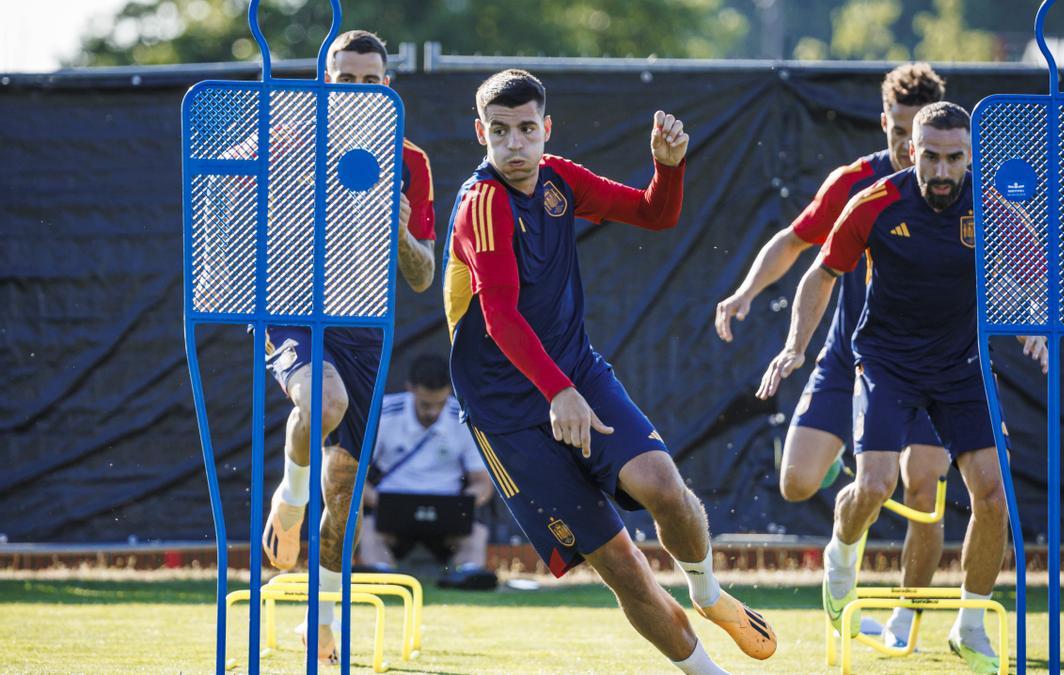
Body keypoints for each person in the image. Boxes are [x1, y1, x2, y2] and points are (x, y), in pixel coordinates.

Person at [441, 69, 775, 674]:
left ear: (546, 129)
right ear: (480, 134)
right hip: (508, 414)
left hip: (575, 376)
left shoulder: (559, 179)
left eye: (524, 130)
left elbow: (654, 215)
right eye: (499, 132)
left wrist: (668, 168)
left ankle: (706, 592)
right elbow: (501, 317)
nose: (514, 145)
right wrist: (557, 392)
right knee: (624, 567)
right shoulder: (482, 204)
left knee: (665, 488)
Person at [755, 102, 1048, 674]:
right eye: (931, 157)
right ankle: (840, 561)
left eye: (954, 158)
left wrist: (1037, 319)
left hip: (961, 367)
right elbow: (821, 273)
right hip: (887, 363)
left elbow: (1035, 267)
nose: (942, 171)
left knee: (992, 495)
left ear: (970, 155)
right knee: (875, 484)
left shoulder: (988, 204)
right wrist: (796, 345)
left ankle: (969, 627)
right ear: (912, 151)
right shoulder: (874, 202)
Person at [715, 62, 949, 648]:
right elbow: (795, 241)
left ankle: (907, 621)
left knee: (922, 485)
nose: (903, 143)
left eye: (913, 132)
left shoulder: (958, 192)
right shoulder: (857, 184)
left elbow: (1015, 252)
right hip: (849, 358)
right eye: (895, 129)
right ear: (884, 123)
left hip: (926, 365)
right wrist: (746, 293)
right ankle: (855, 477)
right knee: (796, 483)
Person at [257, 30, 437, 663]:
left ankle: (322, 618)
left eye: (369, 81)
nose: (357, 91)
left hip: (365, 325)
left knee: (347, 491)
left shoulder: (408, 159)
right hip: (291, 312)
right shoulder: (288, 135)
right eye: (344, 81)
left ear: (386, 85)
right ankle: (289, 496)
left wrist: (398, 229)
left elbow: (423, 276)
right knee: (323, 403)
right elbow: (221, 180)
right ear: (324, 82)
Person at [357, 354, 497, 590]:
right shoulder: (384, 413)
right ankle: (382, 577)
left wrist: (464, 503)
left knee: (476, 533)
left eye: (440, 404)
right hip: (388, 508)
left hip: (447, 510)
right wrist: (378, 501)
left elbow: (483, 483)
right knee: (368, 529)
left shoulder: (464, 419)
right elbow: (353, 478)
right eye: (425, 404)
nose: (432, 412)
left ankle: (467, 576)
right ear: (410, 389)